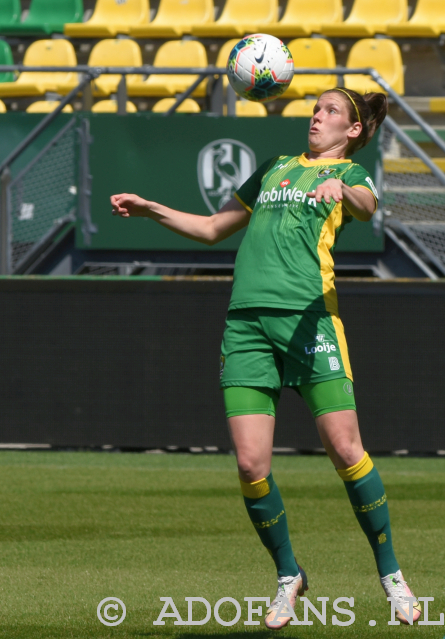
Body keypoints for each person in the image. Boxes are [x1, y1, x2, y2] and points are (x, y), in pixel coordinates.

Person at [111, 88, 421, 628]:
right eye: (316, 108)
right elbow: (212, 229)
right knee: (252, 464)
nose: (316, 116)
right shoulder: (276, 167)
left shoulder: (352, 176)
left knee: (348, 451)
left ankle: (392, 576)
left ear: (351, 131)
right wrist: (149, 209)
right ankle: (288, 575)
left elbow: (370, 207)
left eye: (330, 111)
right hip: (247, 325)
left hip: (309, 322)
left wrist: (340, 189)